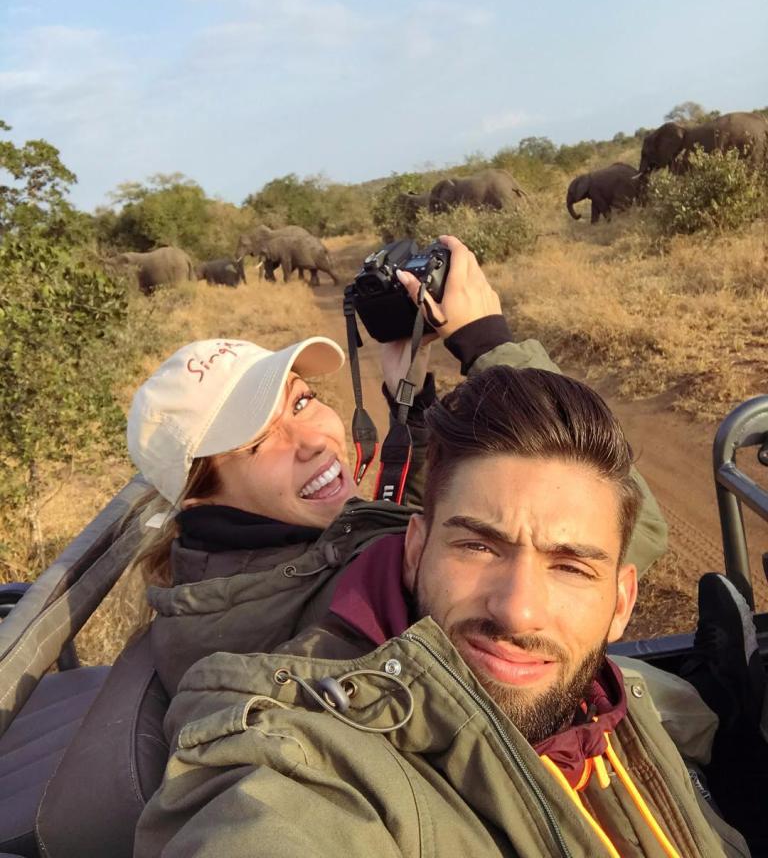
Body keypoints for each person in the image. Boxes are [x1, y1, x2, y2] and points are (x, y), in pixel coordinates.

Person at [134, 364, 750, 858]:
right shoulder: (301, 748)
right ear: (415, 551)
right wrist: (487, 341)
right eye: (478, 545)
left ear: (622, 602)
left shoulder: (334, 537)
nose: (519, 610)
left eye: (571, 565)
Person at [126, 237, 668, 697]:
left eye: (301, 401)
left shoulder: (251, 570)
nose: (314, 439)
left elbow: (395, 531)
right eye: (255, 444)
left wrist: (414, 402)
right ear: (200, 497)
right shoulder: (329, 608)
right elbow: (633, 532)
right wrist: (489, 345)